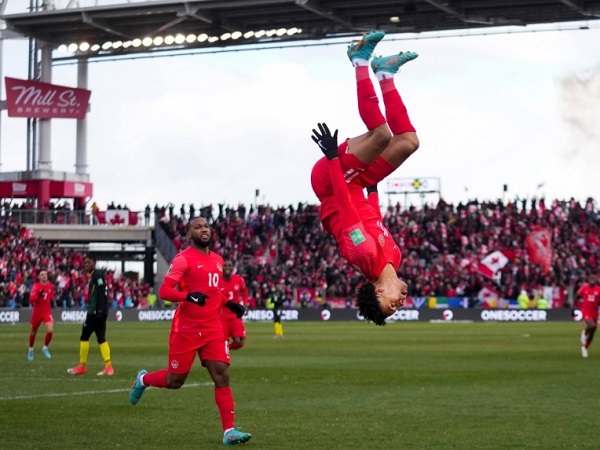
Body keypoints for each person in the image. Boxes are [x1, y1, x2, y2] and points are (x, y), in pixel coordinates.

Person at [310, 30, 417, 325]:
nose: (399, 304)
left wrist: (332, 157)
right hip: (357, 185)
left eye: (390, 306)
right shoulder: (394, 259)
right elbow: (376, 220)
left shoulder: (362, 255)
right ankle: (385, 73)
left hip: (334, 182)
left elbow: (345, 207)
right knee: (408, 142)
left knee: (381, 135)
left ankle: (358, 58)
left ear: (379, 291)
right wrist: (373, 192)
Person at [129, 216, 251, 446]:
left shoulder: (217, 259)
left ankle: (229, 431)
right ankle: (143, 380)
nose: (204, 229)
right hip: (186, 329)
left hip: (213, 327)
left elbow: (213, 291)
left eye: (206, 226)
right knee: (175, 381)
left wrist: (230, 303)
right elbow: (165, 291)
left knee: (222, 374)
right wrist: (187, 296)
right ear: (188, 235)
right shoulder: (182, 260)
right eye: (198, 227)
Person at [67, 255, 114, 376]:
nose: (86, 265)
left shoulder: (97, 274)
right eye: (85, 263)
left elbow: (101, 291)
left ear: (94, 262)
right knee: (101, 338)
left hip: (95, 312)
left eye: (88, 262)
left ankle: (82, 366)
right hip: (101, 312)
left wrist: (99, 311)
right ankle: (108, 367)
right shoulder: (96, 274)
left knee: (84, 336)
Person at [28, 269, 56, 361]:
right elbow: (31, 299)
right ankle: (31, 349)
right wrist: (38, 296)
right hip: (37, 312)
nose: (44, 276)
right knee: (33, 332)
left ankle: (45, 348)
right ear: (39, 277)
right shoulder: (36, 287)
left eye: (45, 274)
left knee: (50, 330)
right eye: (42, 274)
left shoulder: (50, 286)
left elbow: (50, 297)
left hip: (46, 312)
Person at [220, 260, 248, 350]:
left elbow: (244, 290)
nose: (227, 267)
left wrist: (245, 303)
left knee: (239, 341)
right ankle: (223, 351)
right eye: (225, 266)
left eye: (229, 265)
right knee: (221, 342)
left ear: (233, 268)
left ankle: (227, 348)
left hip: (235, 316)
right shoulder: (217, 281)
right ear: (221, 268)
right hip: (221, 316)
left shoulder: (239, 280)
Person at [576, 274, 600, 358]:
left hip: (595, 313)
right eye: (591, 278)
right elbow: (577, 295)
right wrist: (574, 304)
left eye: (594, 278)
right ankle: (585, 332)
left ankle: (585, 348)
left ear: (596, 280)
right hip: (586, 311)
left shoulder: (599, 289)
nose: (592, 280)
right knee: (592, 325)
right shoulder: (584, 288)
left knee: (593, 331)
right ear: (588, 280)